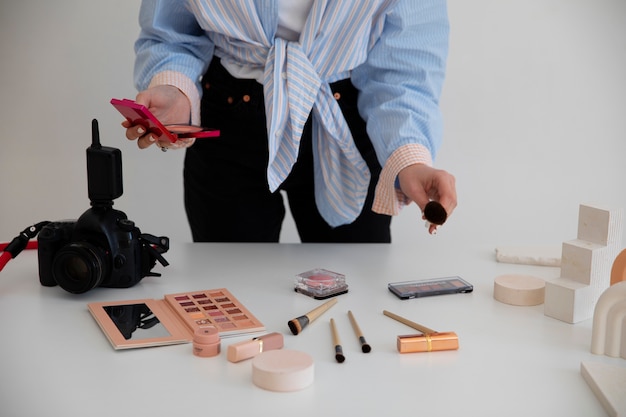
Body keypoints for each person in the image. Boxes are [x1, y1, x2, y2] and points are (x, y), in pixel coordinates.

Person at [123, 0, 457, 243]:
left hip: (341, 126)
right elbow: (171, 30)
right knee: (231, 293)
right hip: (229, 118)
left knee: (351, 291)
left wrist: (409, 156)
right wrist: (174, 88)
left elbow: (405, 66)